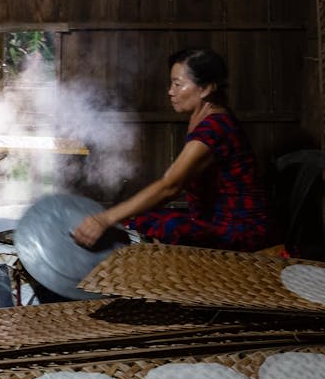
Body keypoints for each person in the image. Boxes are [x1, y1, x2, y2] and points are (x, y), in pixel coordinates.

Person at [72, 48, 272, 252]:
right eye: (171, 84)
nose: (170, 91)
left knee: (169, 227)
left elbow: (170, 186)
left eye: (178, 84)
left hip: (241, 231)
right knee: (140, 220)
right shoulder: (206, 119)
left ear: (205, 89)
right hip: (213, 221)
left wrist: (104, 219)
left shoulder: (215, 128)